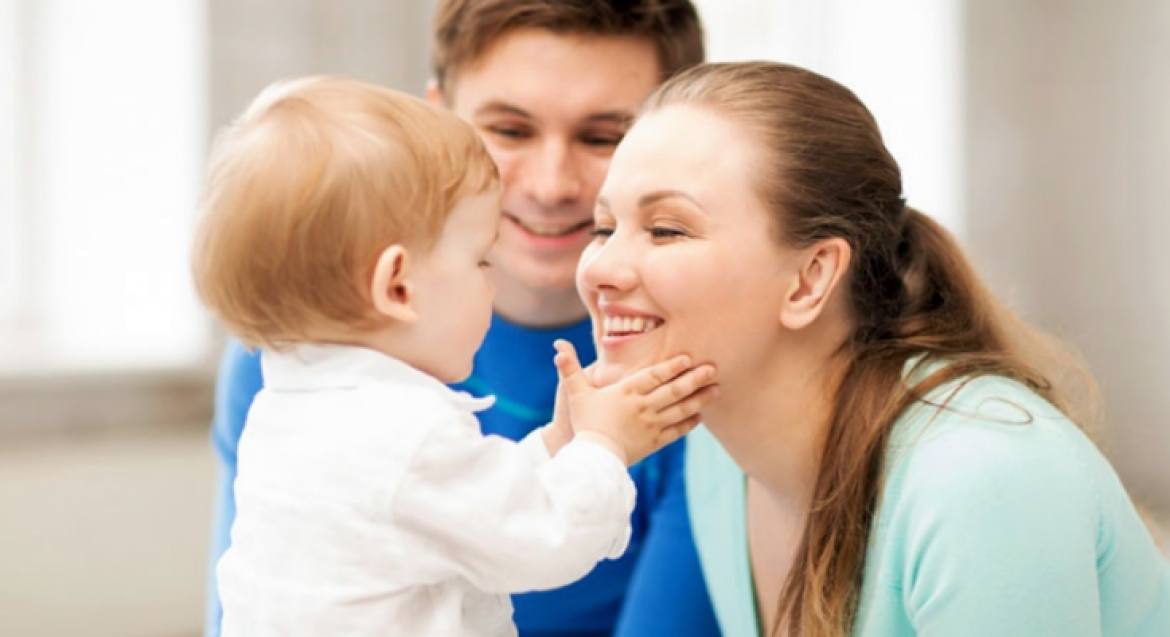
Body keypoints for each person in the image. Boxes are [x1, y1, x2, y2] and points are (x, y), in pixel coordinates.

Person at [577, 61, 1170, 636]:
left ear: (810, 279)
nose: (600, 269)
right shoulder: (713, 455)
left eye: (666, 229)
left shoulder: (985, 477)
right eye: (603, 228)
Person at [203, 2, 717, 636]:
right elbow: (537, 536)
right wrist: (604, 446)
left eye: (600, 138)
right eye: (510, 130)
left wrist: (561, 443)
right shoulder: (368, 407)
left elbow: (479, 497)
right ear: (396, 285)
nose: (551, 186)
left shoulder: (299, 380)